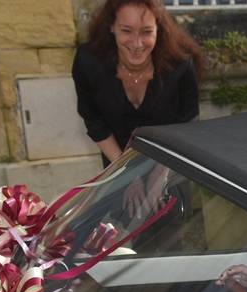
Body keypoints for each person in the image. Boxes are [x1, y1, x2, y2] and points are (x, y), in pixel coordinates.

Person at [72, 0, 202, 169]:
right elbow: (95, 122)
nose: (137, 43)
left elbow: (187, 127)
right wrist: (125, 173)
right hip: (116, 160)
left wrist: (158, 179)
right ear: (111, 27)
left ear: (158, 29)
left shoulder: (181, 65)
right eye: (126, 30)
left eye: (146, 32)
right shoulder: (87, 63)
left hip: (171, 165)